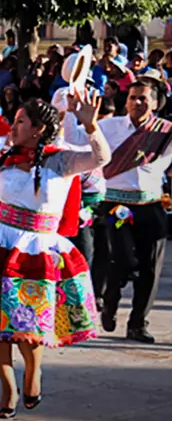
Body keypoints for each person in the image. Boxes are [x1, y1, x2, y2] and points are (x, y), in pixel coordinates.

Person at [0, 97, 108, 417]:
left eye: (20, 122)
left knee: (28, 322)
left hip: (38, 252)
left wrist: (91, 125)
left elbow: (101, 157)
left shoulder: (62, 161)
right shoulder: (5, 160)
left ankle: (32, 373)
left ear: (38, 129)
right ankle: (7, 389)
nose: (12, 127)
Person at [63, 79, 172, 344]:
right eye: (133, 97)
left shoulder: (166, 132)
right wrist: (71, 112)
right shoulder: (110, 126)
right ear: (126, 101)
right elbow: (74, 137)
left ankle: (138, 324)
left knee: (150, 268)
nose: (138, 103)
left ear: (156, 103)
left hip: (151, 204)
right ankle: (110, 299)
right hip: (116, 206)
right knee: (122, 259)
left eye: (144, 98)